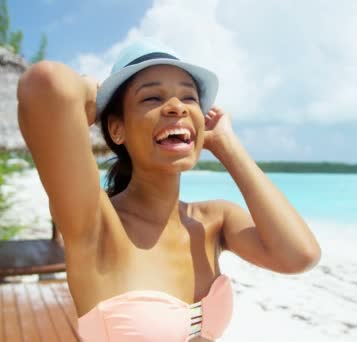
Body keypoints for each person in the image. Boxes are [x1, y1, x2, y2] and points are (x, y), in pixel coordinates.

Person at [17, 39, 321, 342]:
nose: (176, 107)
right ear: (116, 129)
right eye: (152, 98)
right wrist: (100, 93)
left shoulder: (214, 221)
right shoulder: (97, 224)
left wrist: (228, 147)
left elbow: (299, 255)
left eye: (189, 98)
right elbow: (46, 83)